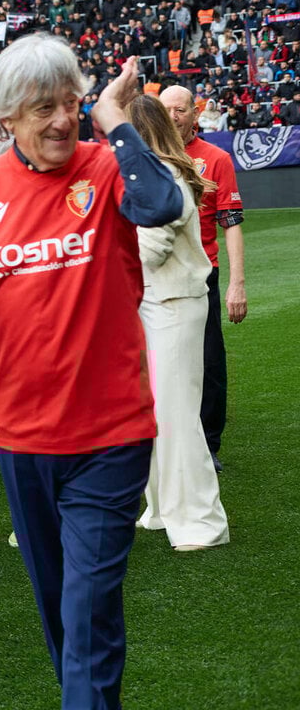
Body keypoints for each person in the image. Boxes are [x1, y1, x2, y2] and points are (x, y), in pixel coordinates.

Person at [0, 36, 183, 710]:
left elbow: (163, 204)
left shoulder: (107, 168)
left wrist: (115, 118)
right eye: (41, 108)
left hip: (111, 437)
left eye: (70, 105)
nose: (59, 121)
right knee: (59, 614)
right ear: (6, 119)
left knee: (88, 610)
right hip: (22, 440)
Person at [126, 96, 231, 551]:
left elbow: (151, 248)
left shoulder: (163, 175)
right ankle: (165, 508)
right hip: (158, 302)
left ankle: (201, 522)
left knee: (176, 416)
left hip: (172, 303)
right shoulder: (160, 172)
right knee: (157, 413)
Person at [159, 85, 248, 473]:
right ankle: (160, 442)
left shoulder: (216, 159)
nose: (174, 116)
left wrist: (237, 282)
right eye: (166, 110)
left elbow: (230, 224)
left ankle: (208, 443)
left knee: (208, 361)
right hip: (154, 278)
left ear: (196, 113)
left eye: (181, 109)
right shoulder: (147, 158)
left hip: (200, 276)